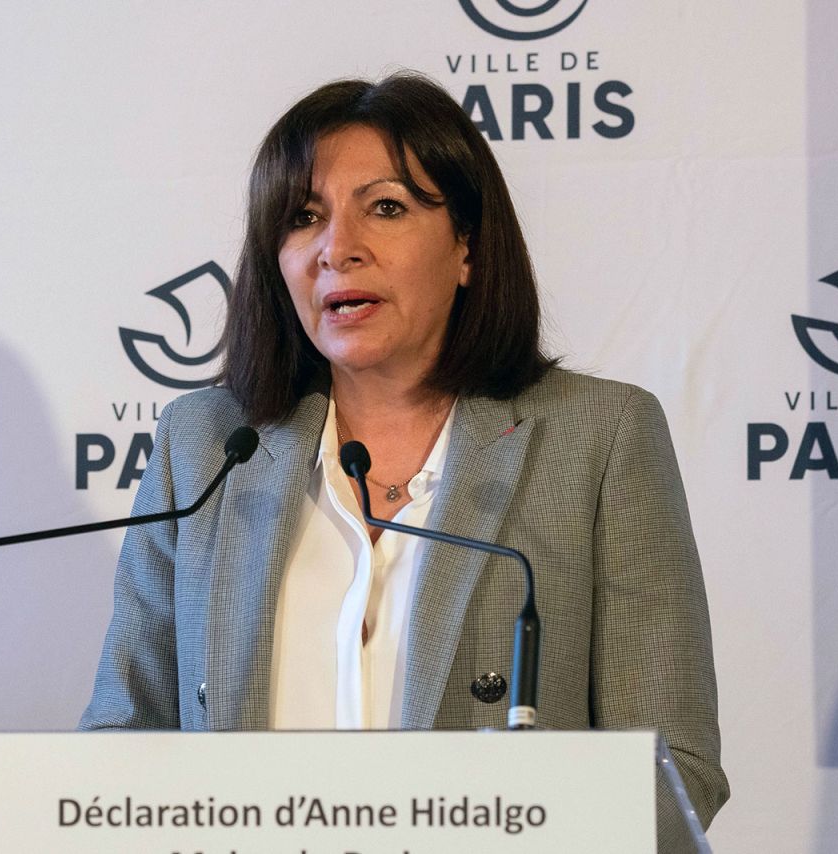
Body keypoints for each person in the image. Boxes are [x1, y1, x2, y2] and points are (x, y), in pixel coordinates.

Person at [81, 72, 729, 844]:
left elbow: (670, 769)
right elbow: (122, 741)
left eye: (385, 208)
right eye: (302, 218)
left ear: (466, 246)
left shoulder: (598, 436)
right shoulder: (205, 446)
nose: (337, 249)